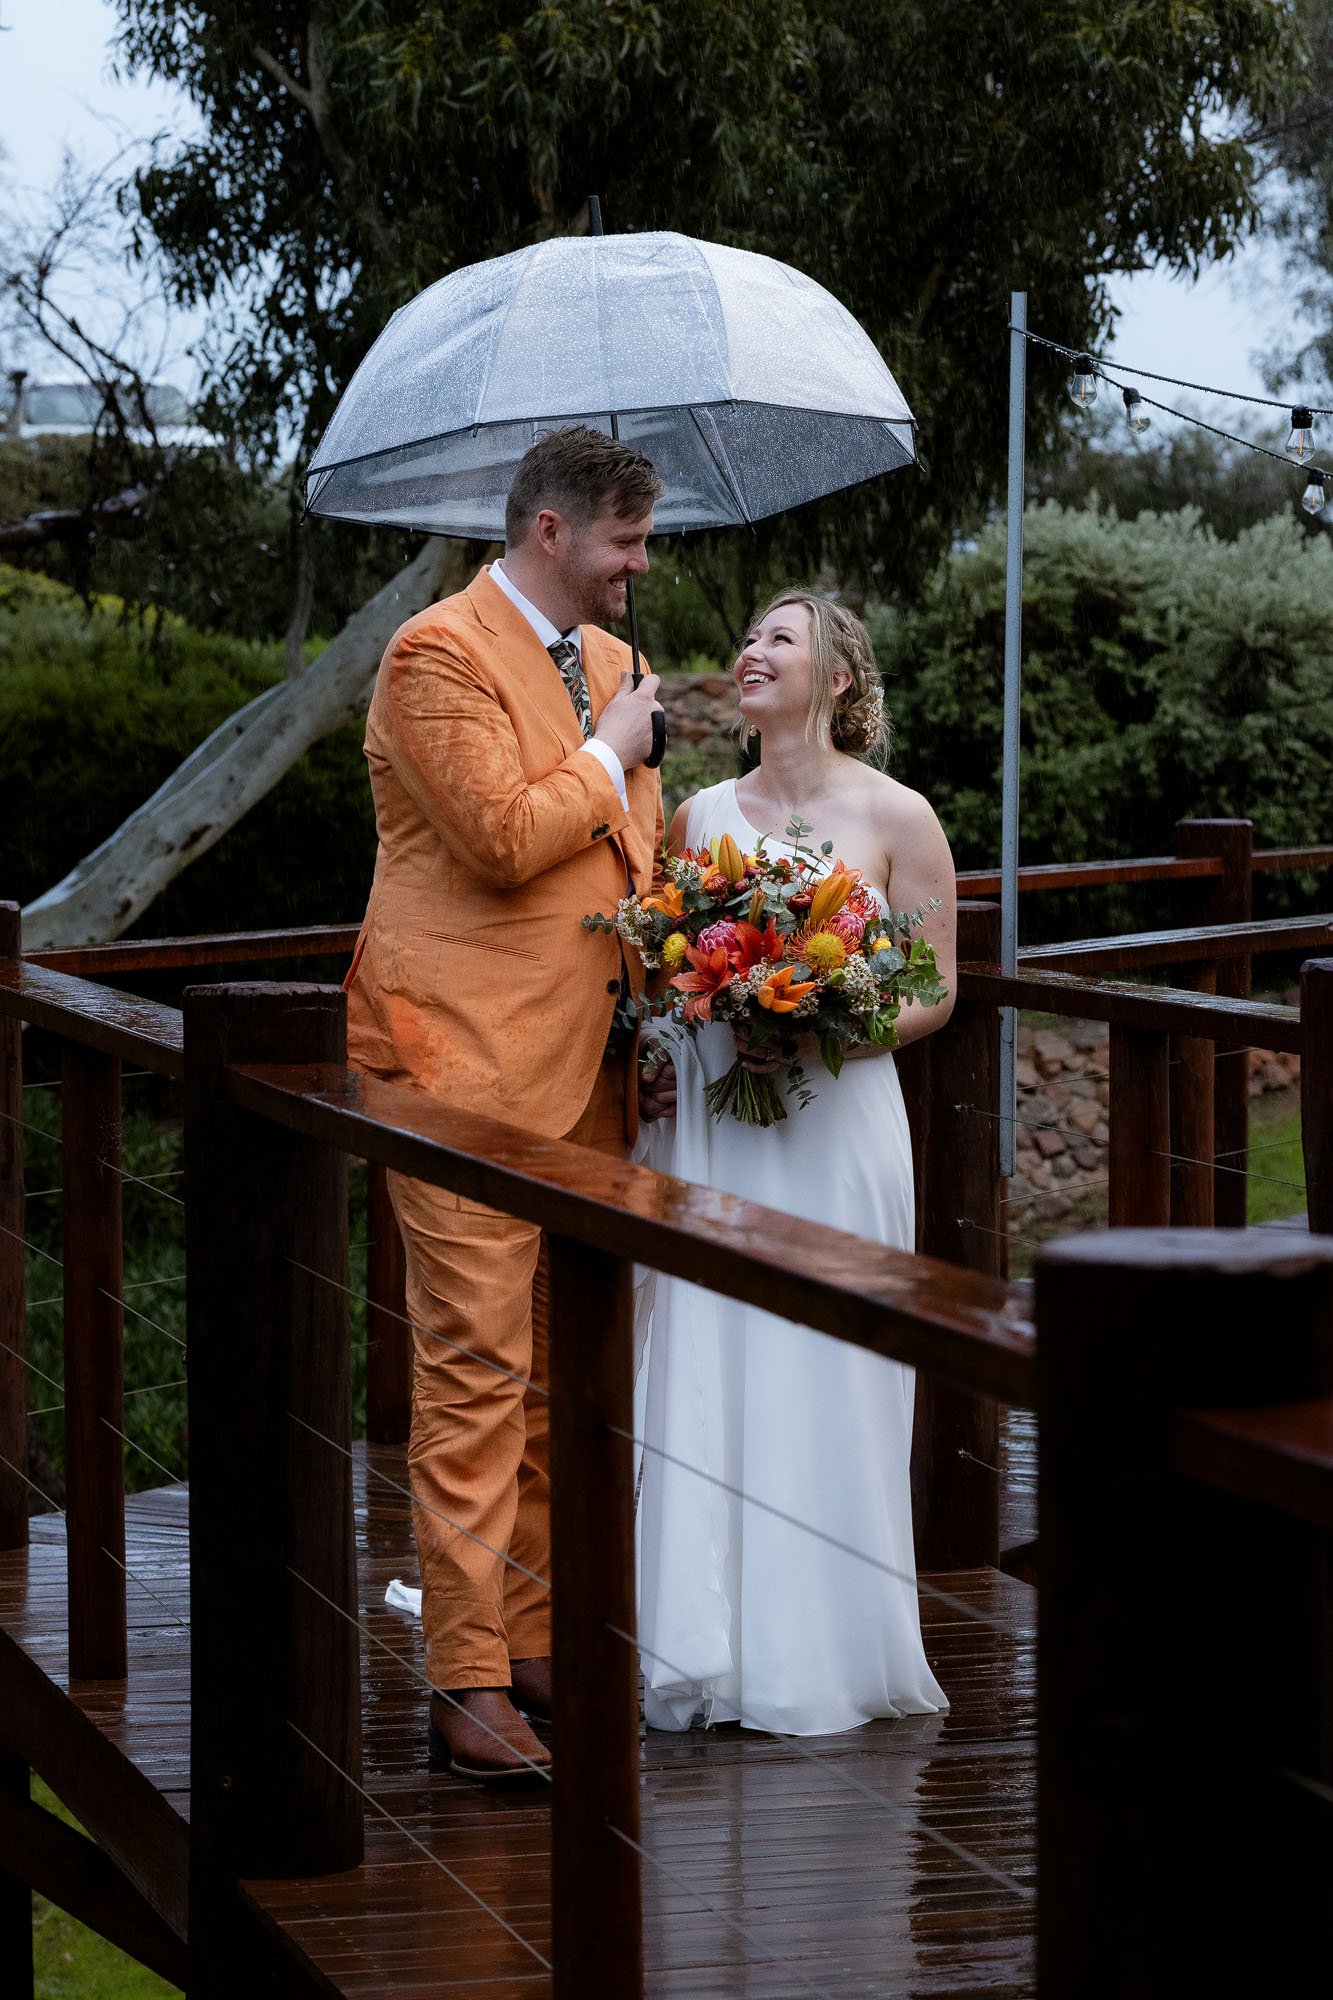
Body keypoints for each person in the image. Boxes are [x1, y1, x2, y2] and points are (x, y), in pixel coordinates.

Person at [345, 425, 672, 1783]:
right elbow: (499, 838)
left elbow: (630, 846)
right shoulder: (434, 655)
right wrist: (607, 755)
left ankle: (533, 1639)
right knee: (474, 1377)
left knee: (555, 1381)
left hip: (596, 1064)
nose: (638, 569)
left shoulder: (617, 669)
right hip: (458, 1067)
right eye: (624, 544)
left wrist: (665, 989)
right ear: (551, 532)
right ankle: (465, 1681)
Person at [634, 590, 956, 1736]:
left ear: (840, 680)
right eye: (750, 636)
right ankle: (708, 1645)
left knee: (832, 1364)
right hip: (722, 1125)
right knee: (718, 1351)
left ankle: (828, 1652)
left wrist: (824, 1022)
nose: (751, 651)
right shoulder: (697, 813)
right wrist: (670, 1050)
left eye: (780, 636)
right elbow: (664, 968)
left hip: (837, 1125)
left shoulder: (899, 816)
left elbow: (934, 988)